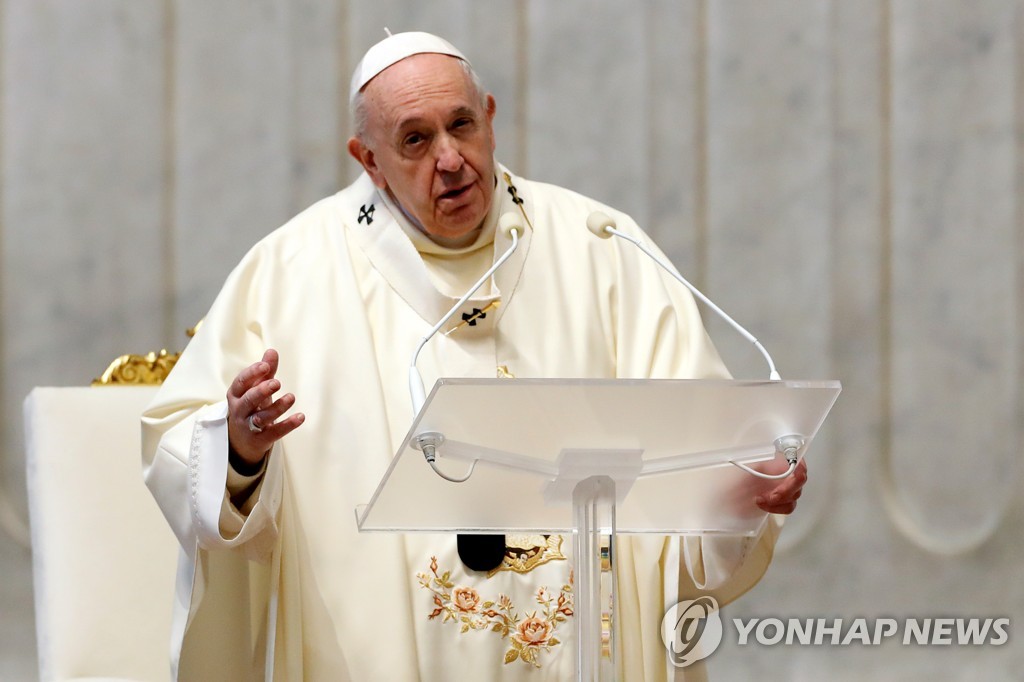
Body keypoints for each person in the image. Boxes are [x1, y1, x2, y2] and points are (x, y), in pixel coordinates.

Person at [142, 31, 806, 681]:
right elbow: (178, 441)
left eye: (462, 125)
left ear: (490, 119)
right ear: (368, 160)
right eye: (415, 140)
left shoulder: (602, 247)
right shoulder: (290, 271)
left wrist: (737, 489)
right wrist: (239, 451)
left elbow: (701, 440)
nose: (451, 158)